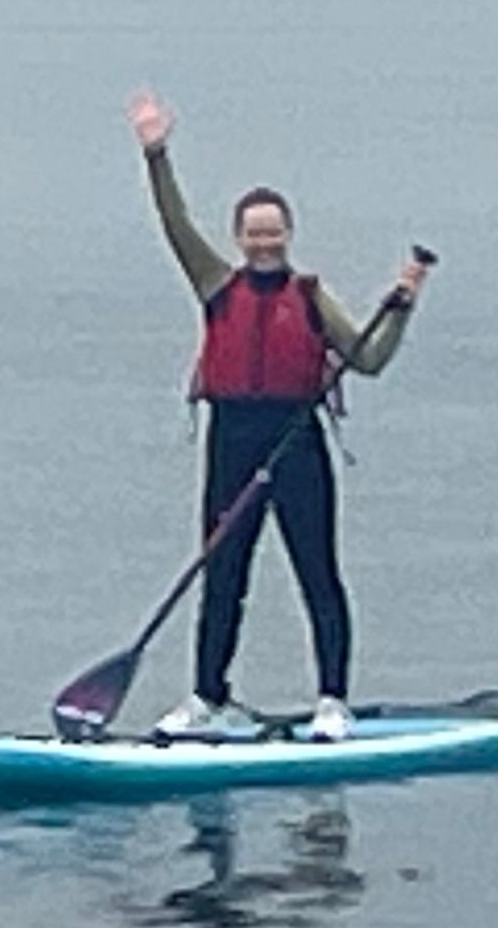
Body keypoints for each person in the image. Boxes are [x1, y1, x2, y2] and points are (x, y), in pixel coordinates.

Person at [127, 92, 427, 741]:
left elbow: (369, 359)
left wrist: (402, 306)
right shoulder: (216, 283)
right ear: (240, 239)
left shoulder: (312, 298)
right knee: (223, 573)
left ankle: (333, 702)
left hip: (296, 442)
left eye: (274, 232)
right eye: (254, 233)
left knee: (317, 572)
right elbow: (175, 223)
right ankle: (209, 698)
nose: (264, 242)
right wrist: (156, 154)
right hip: (231, 440)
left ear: (287, 235)